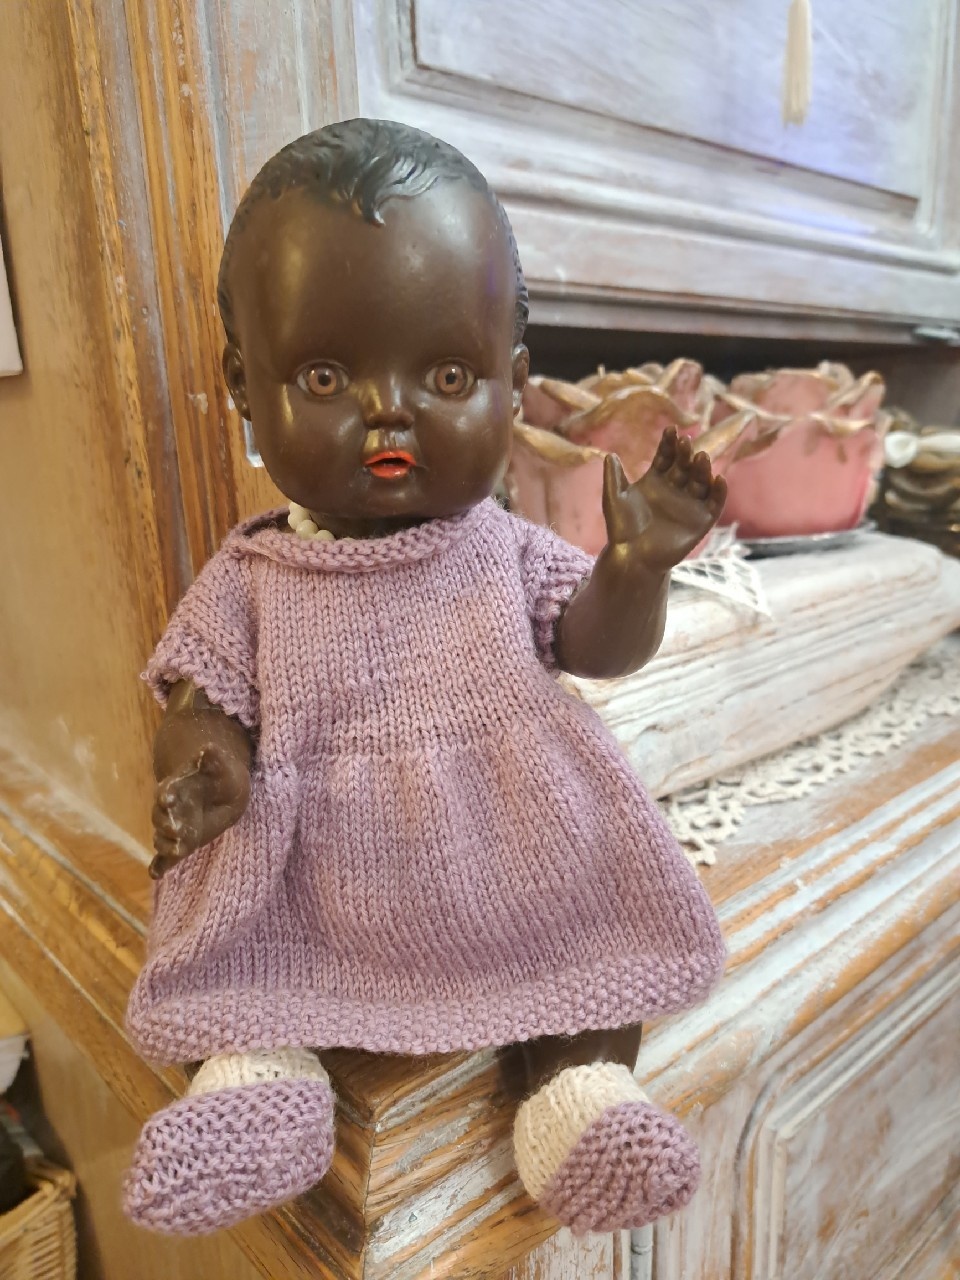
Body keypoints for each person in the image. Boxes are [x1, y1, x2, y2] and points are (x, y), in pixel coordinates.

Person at [123, 118, 727, 1237]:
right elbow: (201, 699)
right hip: (315, 886)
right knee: (237, 970)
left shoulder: (504, 550)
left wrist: (634, 568)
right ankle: (259, 1079)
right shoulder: (250, 578)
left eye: (447, 373)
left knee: (593, 957)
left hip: (511, 859)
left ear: (514, 383)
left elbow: (596, 646)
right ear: (245, 388)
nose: (387, 409)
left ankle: (578, 1090)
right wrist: (205, 769)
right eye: (324, 375)